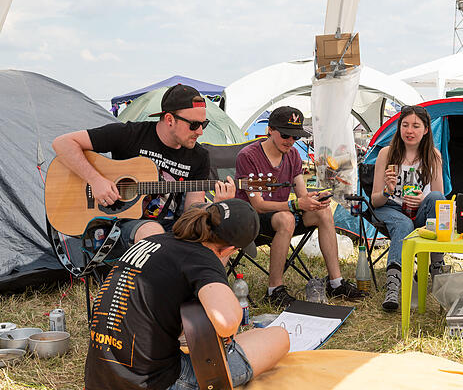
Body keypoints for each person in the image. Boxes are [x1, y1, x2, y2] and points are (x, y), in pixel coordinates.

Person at [84, 198, 290, 390]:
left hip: (101, 378)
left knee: (255, 336)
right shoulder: (202, 259)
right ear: (229, 248)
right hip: (155, 382)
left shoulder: (156, 240)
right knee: (279, 336)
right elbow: (226, 322)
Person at [52, 84, 236, 245]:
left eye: (204, 124)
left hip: (173, 225)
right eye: (194, 125)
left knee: (219, 236)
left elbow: (192, 207)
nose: (200, 132)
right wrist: (95, 180)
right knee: (153, 233)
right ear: (170, 119)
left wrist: (214, 206)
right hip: (122, 223)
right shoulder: (130, 134)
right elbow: (62, 143)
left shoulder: (199, 156)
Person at [235, 106, 365, 307]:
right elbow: (258, 205)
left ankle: (335, 282)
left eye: (295, 137)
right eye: (286, 135)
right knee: (286, 218)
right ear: (270, 130)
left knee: (322, 211)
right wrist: (295, 204)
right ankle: (274, 289)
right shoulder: (249, 156)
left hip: (281, 215)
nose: (290, 141)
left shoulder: (293, 155)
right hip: (252, 221)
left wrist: (314, 199)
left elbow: (302, 194)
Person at [370, 105, 447, 312]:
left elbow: (440, 200)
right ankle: (393, 286)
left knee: (436, 198)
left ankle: (437, 270)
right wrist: (388, 190)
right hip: (390, 209)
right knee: (403, 222)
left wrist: (423, 200)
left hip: (421, 213)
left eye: (415, 126)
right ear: (399, 127)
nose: (409, 131)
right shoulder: (387, 154)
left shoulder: (433, 156)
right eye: (405, 125)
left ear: (426, 130)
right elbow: (375, 200)